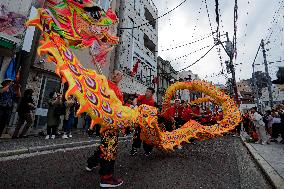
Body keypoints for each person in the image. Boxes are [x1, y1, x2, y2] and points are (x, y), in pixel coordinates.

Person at [86, 70, 124, 188]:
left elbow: (120, 106)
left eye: (118, 74)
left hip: (114, 122)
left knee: (105, 145)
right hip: (108, 122)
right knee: (109, 149)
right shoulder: (106, 84)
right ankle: (106, 178)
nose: (115, 75)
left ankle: (91, 163)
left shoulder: (118, 90)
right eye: (114, 73)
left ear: (121, 78)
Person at [129, 87, 156, 156]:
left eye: (149, 92)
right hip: (140, 120)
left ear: (152, 94)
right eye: (147, 91)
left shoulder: (152, 102)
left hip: (147, 122)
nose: (147, 92)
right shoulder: (142, 96)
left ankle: (148, 150)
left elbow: (152, 113)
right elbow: (135, 99)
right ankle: (134, 148)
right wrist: (135, 106)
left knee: (147, 136)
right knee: (137, 135)